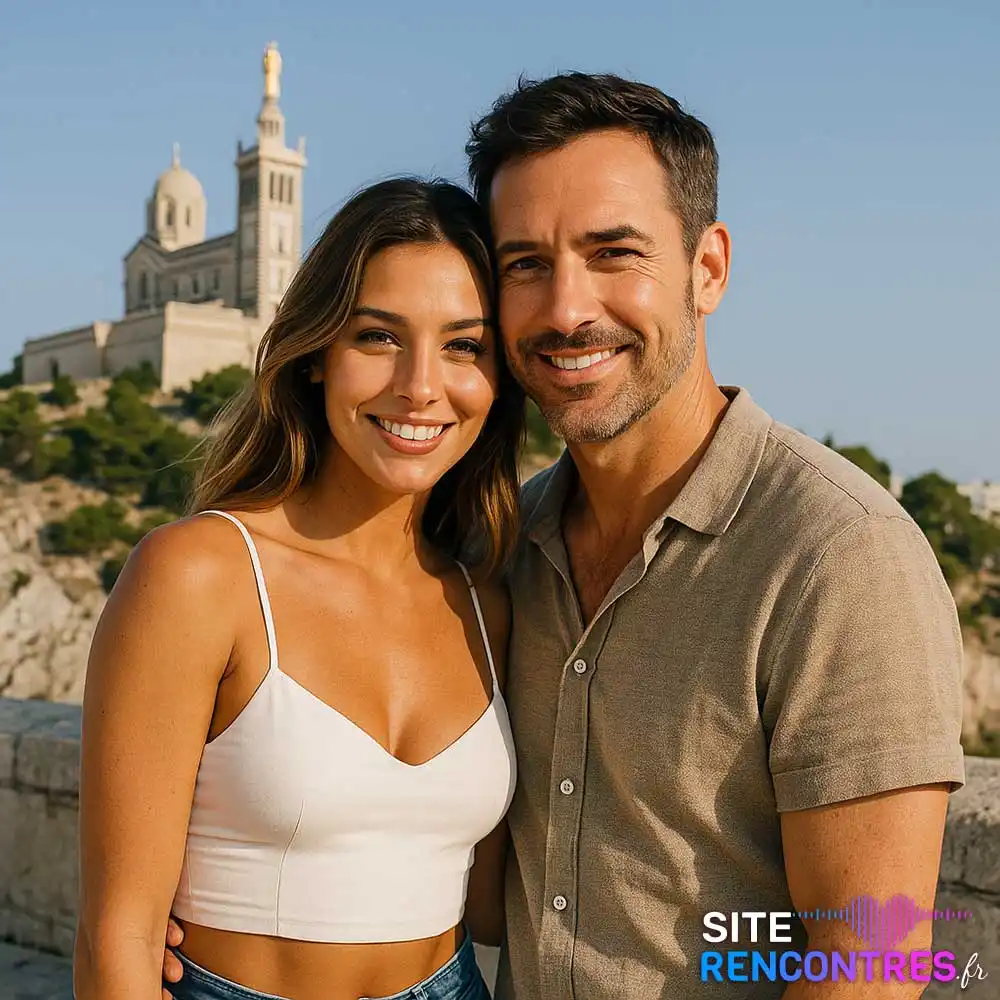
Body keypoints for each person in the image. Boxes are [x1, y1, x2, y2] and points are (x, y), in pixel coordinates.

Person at [164, 74, 966, 999]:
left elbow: (870, 962)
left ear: (708, 267)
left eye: (614, 252)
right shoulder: (499, 549)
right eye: (525, 265)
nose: (566, 310)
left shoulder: (838, 555)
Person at [74, 178, 526, 1000]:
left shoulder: (486, 602)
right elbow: (119, 940)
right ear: (317, 353)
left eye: (465, 345)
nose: (422, 385)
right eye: (380, 337)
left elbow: (496, 905)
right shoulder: (199, 576)